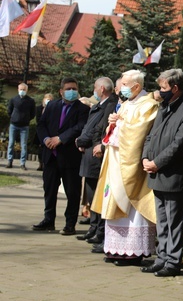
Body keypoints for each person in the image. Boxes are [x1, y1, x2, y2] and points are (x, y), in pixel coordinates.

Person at [90, 70, 158, 266]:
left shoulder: (148, 104)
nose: (122, 88)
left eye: (126, 85)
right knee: (114, 202)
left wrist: (120, 124)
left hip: (131, 166)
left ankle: (132, 252)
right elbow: (115, 131)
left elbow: (139, 132)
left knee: (131, 208)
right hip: (115, 162)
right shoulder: (127, 103)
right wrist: (112, 124)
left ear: (137, 86)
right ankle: (115, 249)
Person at [141, 69, 183, 277]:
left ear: (175, 88)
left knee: (174, 221)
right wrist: (145, 158)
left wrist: (156, 163)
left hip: (175, 175)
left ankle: (172, 261)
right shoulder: (164, 107)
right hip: (157, 173)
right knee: (162, 220)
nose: (160, 91)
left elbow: (180, 144)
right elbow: (151, 136)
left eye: (163, 88)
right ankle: (162, 257)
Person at [34, 77, 90, 235]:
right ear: (61, 91)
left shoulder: (82, 109)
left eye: (74, 88)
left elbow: (80, 127)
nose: (72, 91)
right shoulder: (52, 106)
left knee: (72, 192)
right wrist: (46, 139)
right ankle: (48, 219)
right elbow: (41, 124)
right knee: (49, 189)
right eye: (69, 89)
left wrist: (61, 139)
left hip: (69, 156)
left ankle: (70, 223)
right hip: (50, 155)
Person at [75, 77, 118, 245]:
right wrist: (81, 140)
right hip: (89, 154)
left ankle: (99, 229)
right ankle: (93, 227)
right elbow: (89, 126)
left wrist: (83, 141)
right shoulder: (100, 105)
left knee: (97, 195)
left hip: (96, 155)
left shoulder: (109, 105)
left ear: (101, 89)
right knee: (91, 195)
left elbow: (98, 129)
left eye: (95, 87)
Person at [6, 83, 36, 170]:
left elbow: (32, 113)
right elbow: (9, 110)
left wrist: (26, 119)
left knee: (24, 145)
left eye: (24, 89)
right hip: (13, 125)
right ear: (18, 89)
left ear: (26, 90)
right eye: (21, 89)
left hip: (24, 126)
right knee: (11, 143)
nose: (22, 91)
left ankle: (22, 163)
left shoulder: (30, 101)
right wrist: (14, 117)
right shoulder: (13, 99)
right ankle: (9, 161)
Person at [35, 93, 54, 171]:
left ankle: (46, 164)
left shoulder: (54, 108)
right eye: (47, 99)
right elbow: (38, 121)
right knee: (40, 149)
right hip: (41, 132)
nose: (48, 101)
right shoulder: (39, 108)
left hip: (50, 132)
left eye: (50, 99)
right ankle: (40, 164)